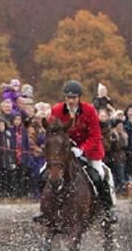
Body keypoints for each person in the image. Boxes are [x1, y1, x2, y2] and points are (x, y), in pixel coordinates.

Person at [36, 80, 117, 224]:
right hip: (64, 150)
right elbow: (52, 132)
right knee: (43, 175)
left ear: (79, 97)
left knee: (98, 176)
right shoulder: (57, 110)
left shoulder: (89, 110)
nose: (71, 100)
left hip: (89, 150)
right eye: (68, 97)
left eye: (74, 97)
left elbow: (95, 135)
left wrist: (82, 149)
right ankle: (44, 210)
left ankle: (108, 209)